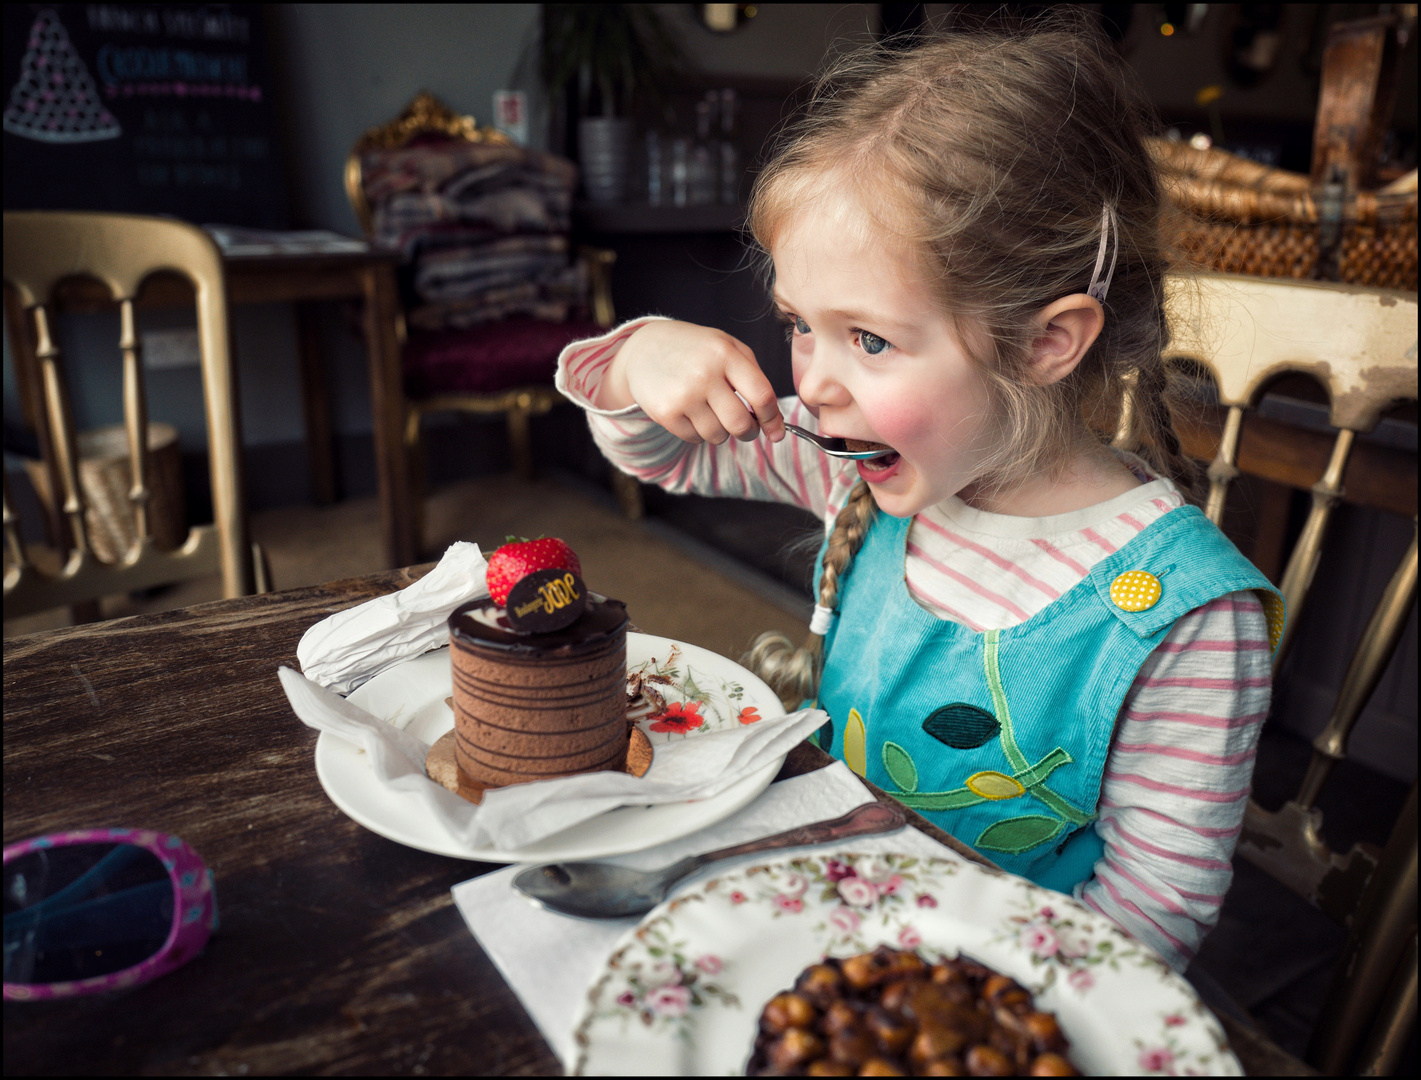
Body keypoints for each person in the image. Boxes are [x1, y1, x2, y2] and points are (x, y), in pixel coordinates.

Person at [554, 24, 1284, 972]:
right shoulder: (852, 464)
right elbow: (665, 455)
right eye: (797, 325)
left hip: (991, 992)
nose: (810, 382)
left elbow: (1150, 915)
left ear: (1042, 342)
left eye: (867, 340)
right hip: (820, 908)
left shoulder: (1188, 619)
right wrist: (643, 359)